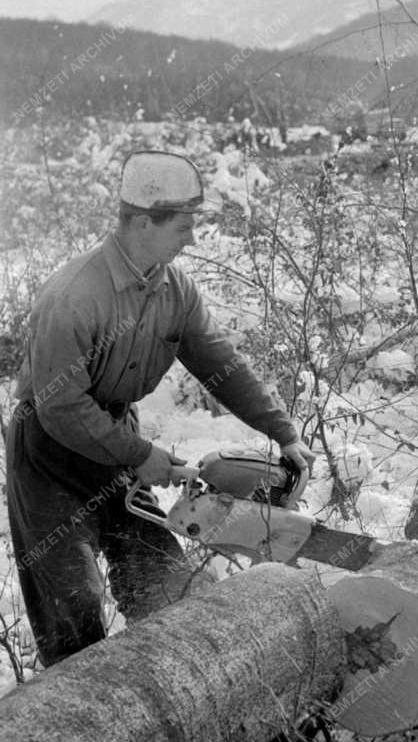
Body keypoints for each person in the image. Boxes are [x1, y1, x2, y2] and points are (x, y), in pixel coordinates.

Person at [5, 150, 316, 667]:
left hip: (115, 436)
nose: (192, 239)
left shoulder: (176, 290)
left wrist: (283, 432)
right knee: (72, 608)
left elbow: (222, 363)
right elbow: (61, 406)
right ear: (143, 223)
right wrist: (139, 453)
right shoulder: (74, 295)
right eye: (183, 226)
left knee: (164, 582)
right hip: (48, 451)